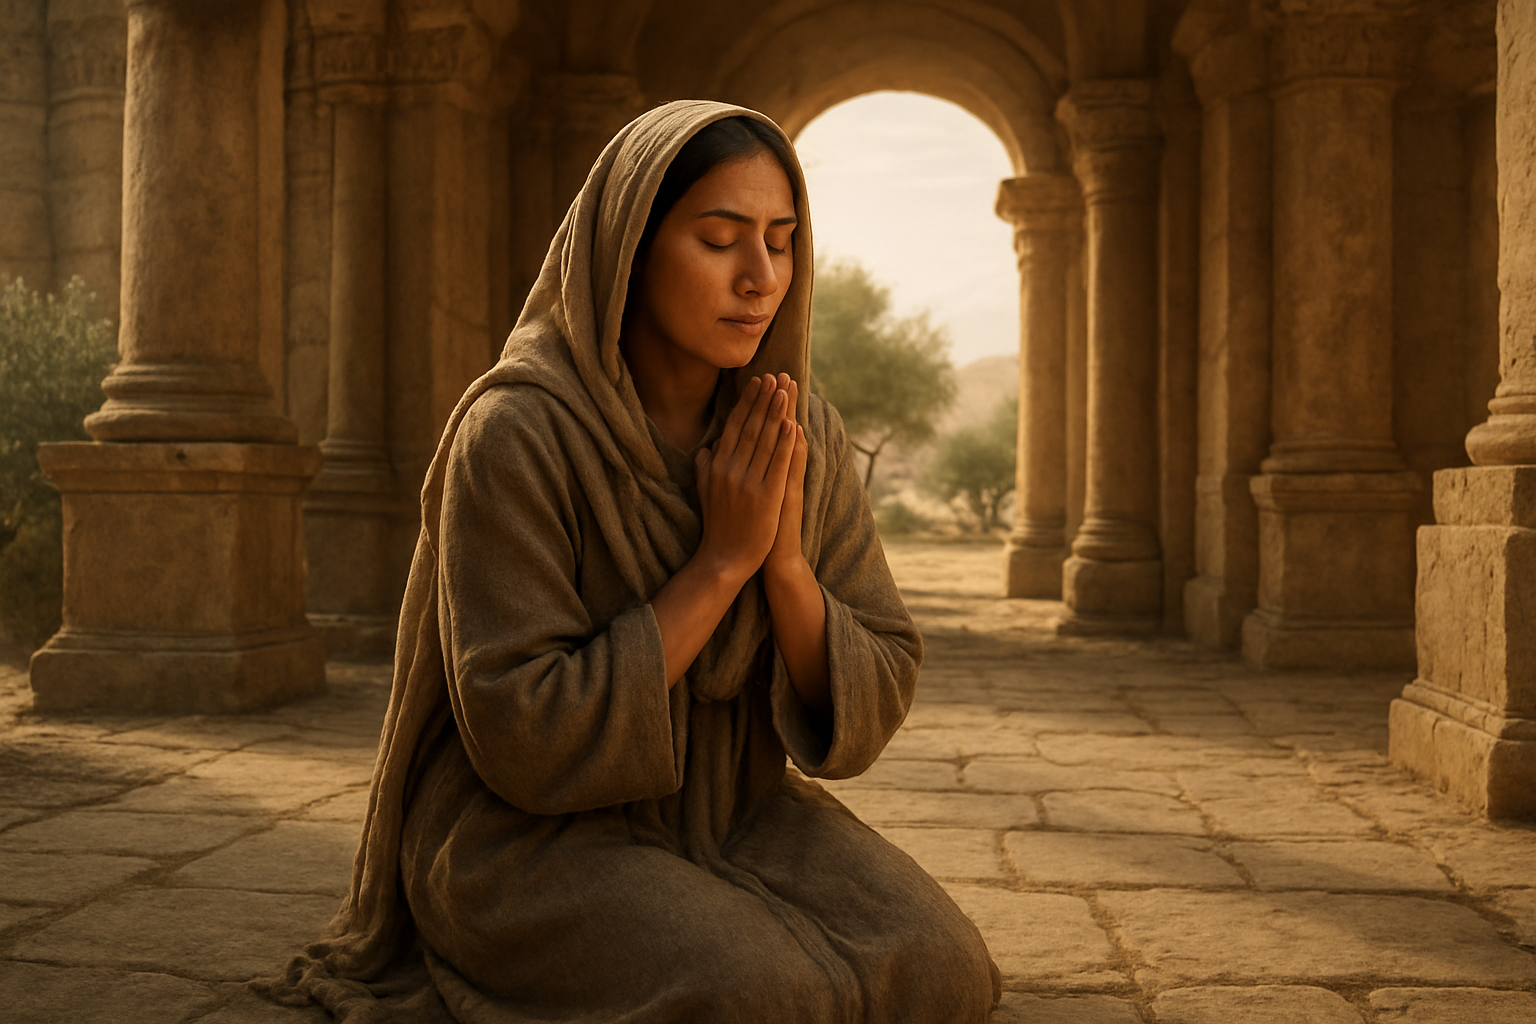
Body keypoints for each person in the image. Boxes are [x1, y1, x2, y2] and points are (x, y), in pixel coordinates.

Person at [261, 99, 1001, 1023]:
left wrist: (782, 567)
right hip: (527, 842)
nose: (759, 277)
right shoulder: (517, 437)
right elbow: (522, 733)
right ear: (630, 250)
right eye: (721, 239)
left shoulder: (796, 428)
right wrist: (720, 564)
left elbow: (882, 669)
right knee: (765, 996)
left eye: (781, 240)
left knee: (943, 971)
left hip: (734, 813)